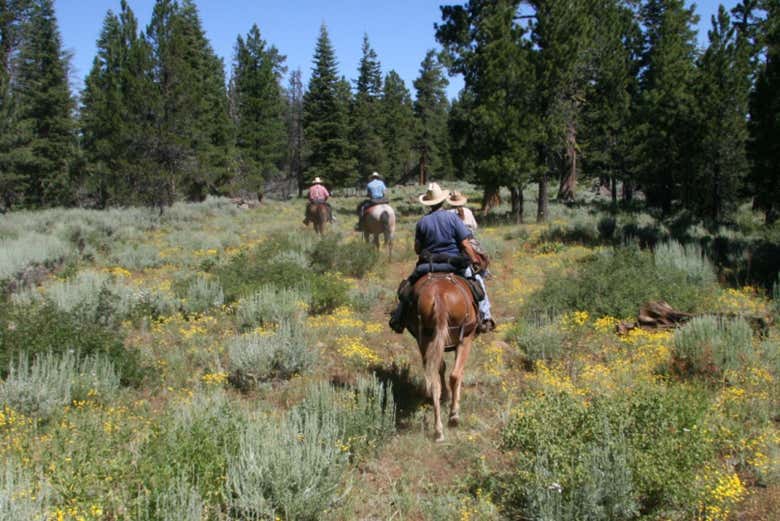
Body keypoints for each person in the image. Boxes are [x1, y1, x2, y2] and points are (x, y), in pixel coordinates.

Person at [388, 183, 494, 334]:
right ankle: (485, 318)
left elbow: (417, 249)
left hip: (428, 266)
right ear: (443, 201)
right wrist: (474, 260)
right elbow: (464, 243)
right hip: (454, 265)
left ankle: (399, 318)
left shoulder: (422, 222)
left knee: (408, 287)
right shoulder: (453, 219)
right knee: (478, 282)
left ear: (428, 203)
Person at [447, 191, 494, 331]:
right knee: (478, 279)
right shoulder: (467, 211)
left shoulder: (447, 213)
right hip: (467, 246)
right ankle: (486, 315)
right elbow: (474, 228)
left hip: (453, 249)